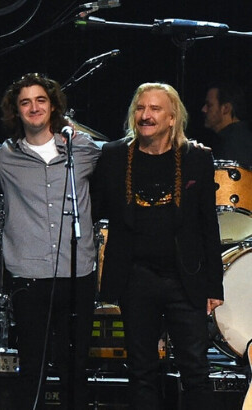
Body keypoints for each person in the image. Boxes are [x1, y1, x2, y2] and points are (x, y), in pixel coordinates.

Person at [92, 82, 224, 410]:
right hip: (135, 277)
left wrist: (214, 285)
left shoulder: (197, 158)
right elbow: (93, 209)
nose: (145, 115)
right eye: (140, 108)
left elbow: (209, 224)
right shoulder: (113, 155)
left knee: (195, 369)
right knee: (141, 370)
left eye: (154, 109)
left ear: (171, 118)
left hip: (186, 278)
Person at [0, 73, 100, 410]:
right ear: (16, 111)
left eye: (40, 100)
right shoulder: (5, 157)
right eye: (25, 102)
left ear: (52, 107)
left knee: (75, 368)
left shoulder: (82, 148)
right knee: (31, 367)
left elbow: (124, 156)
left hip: (76, 273)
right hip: (29, 275)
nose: (33, 107)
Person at [201, 81, 252, 166]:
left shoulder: (235, 143)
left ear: (226, 108)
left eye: (209, 105)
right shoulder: (241, 136)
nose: (204, 109)